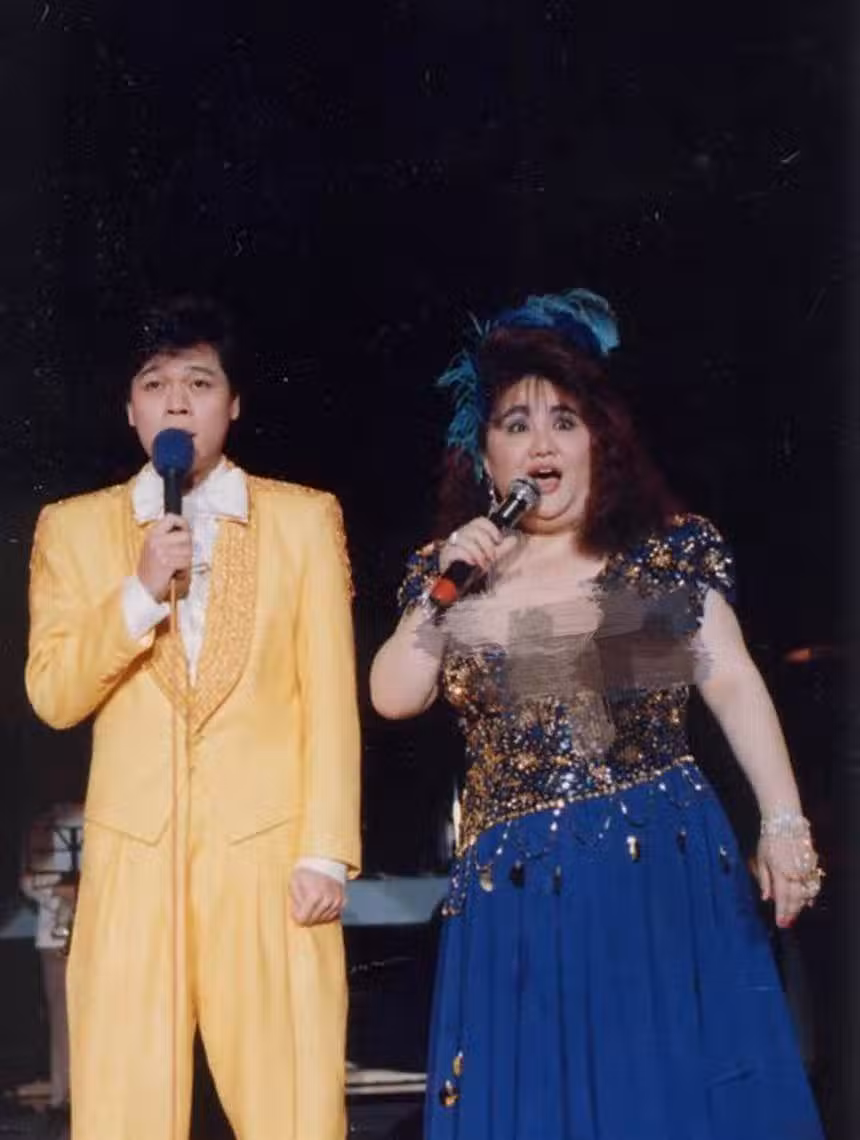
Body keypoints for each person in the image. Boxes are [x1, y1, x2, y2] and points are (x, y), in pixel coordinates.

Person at [370, 289, 824, 1140]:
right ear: (485, 455)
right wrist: (440, 592)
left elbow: (731, 680)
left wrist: (784, 821)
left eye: (565, 421)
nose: (541, 444)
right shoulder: (454, 577)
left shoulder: (659, 553)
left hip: (657, 876)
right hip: (514, 897)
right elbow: (394, 695)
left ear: (599, 443)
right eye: (516, 424)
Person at [25, 297, 361, 1140]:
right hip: (134, 859)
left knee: (293, 1108)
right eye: (155, 383)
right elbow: (54, 694)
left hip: (270, 858)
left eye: (200, 382)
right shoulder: (72, 529)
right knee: (125, 1111)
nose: (177, 401)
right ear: (129, 407)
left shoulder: (302, 519)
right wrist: (138, 593)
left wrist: (324, 849)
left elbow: (328, 693)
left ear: (233, 402)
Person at [20, 791, 84, 1123]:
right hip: (54, 933)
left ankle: (88, 1094)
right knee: (60, 1017)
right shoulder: (42, 824)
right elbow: (28, 880)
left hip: (94, 933)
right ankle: (61, 1095)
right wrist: (61, 898)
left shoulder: (99, 818)